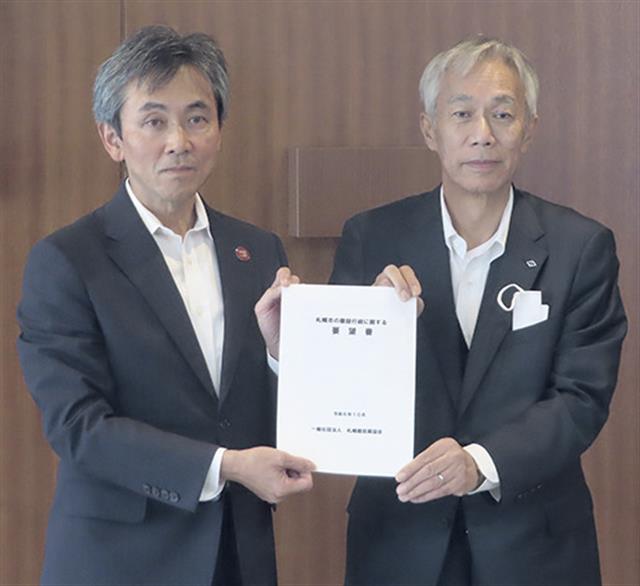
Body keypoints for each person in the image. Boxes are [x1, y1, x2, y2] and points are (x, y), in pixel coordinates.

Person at [17, 25, 314, 586]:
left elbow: (265, 412)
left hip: (237, 553)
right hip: (120, 561)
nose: (179, 140)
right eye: (154, 121)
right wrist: (225, 466)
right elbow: (78, 426)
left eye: (197, 118)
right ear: (112, 138)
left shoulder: (258, 251)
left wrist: (280, 358)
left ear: (219, 130)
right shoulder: (67, 260)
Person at [330, 36, 627, 586]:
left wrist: (479, 463)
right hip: (399, 539)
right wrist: (371, 327)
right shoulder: (372, 237)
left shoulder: (580, 246)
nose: (482, 133)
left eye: (503, 114)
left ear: (529, 129)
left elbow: (581, 398)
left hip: (533, 546)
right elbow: (340, 389)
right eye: (462, 113)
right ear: (429, 130)